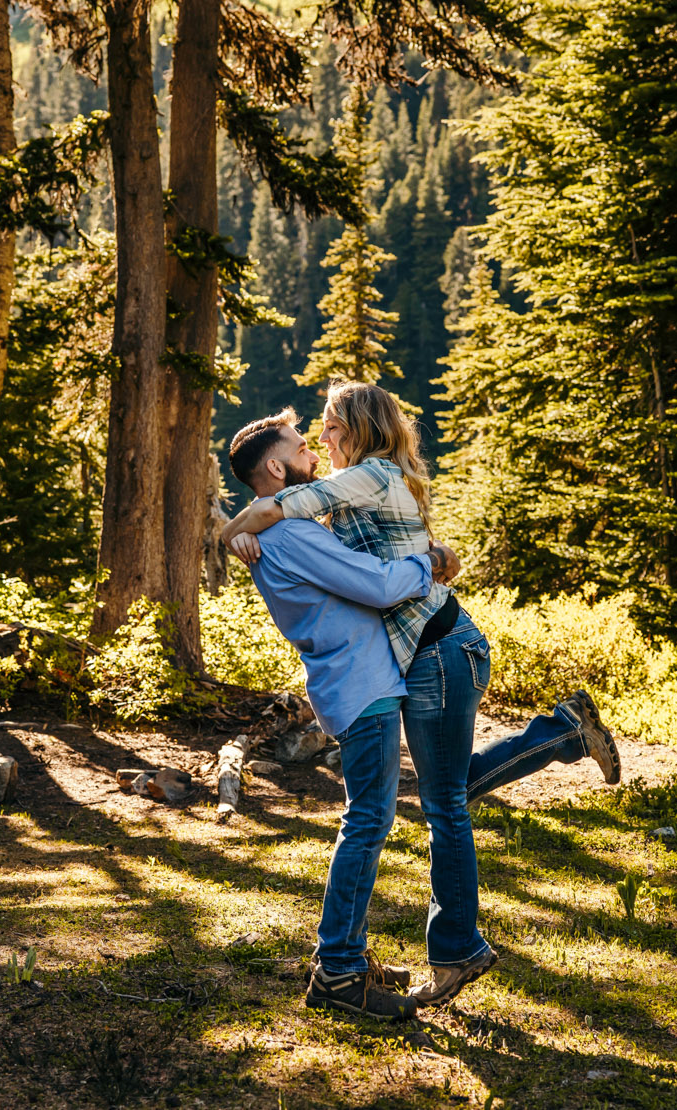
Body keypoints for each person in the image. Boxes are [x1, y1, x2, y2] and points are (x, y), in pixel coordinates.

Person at [225, 403, 621, 1018]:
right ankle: (343, 968)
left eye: (324, 433)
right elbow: (380, 584)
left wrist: (237, 529)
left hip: (399, 668)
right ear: (275, 468)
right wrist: (431, 563)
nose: (315, 448)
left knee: (422, 805)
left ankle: (356, 960)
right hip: (365, 684)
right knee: (392, 815)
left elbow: (358, 552)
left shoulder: (322, 506)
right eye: (305, 444)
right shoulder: (293, 530)